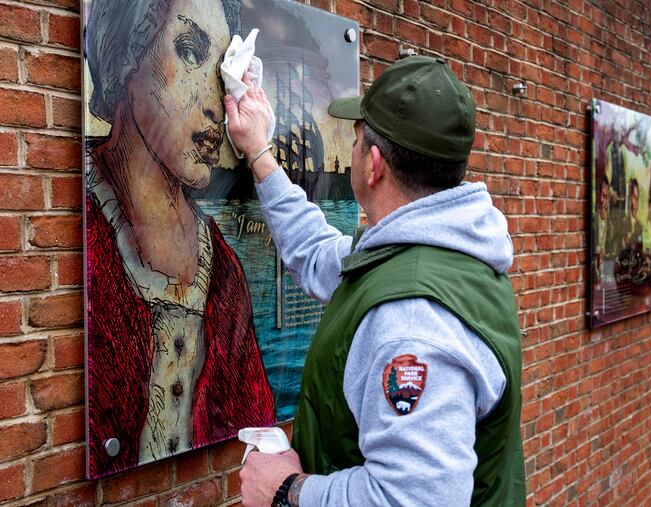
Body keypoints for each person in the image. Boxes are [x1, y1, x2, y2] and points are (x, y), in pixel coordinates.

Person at [225, 55, 525, 506]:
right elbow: (318, 254)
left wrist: (287, 491)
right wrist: (260, 153)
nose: (352, 149)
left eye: (356, 138)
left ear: (373, 165)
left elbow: (417, 500)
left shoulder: (411, 319)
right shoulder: (434, 255)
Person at [85, 0, 275, 477]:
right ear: (126, 59)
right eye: (189, 51)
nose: (218, 105)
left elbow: (253, 424)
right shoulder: (80, 235)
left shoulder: (224, 274)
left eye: (223, 72)